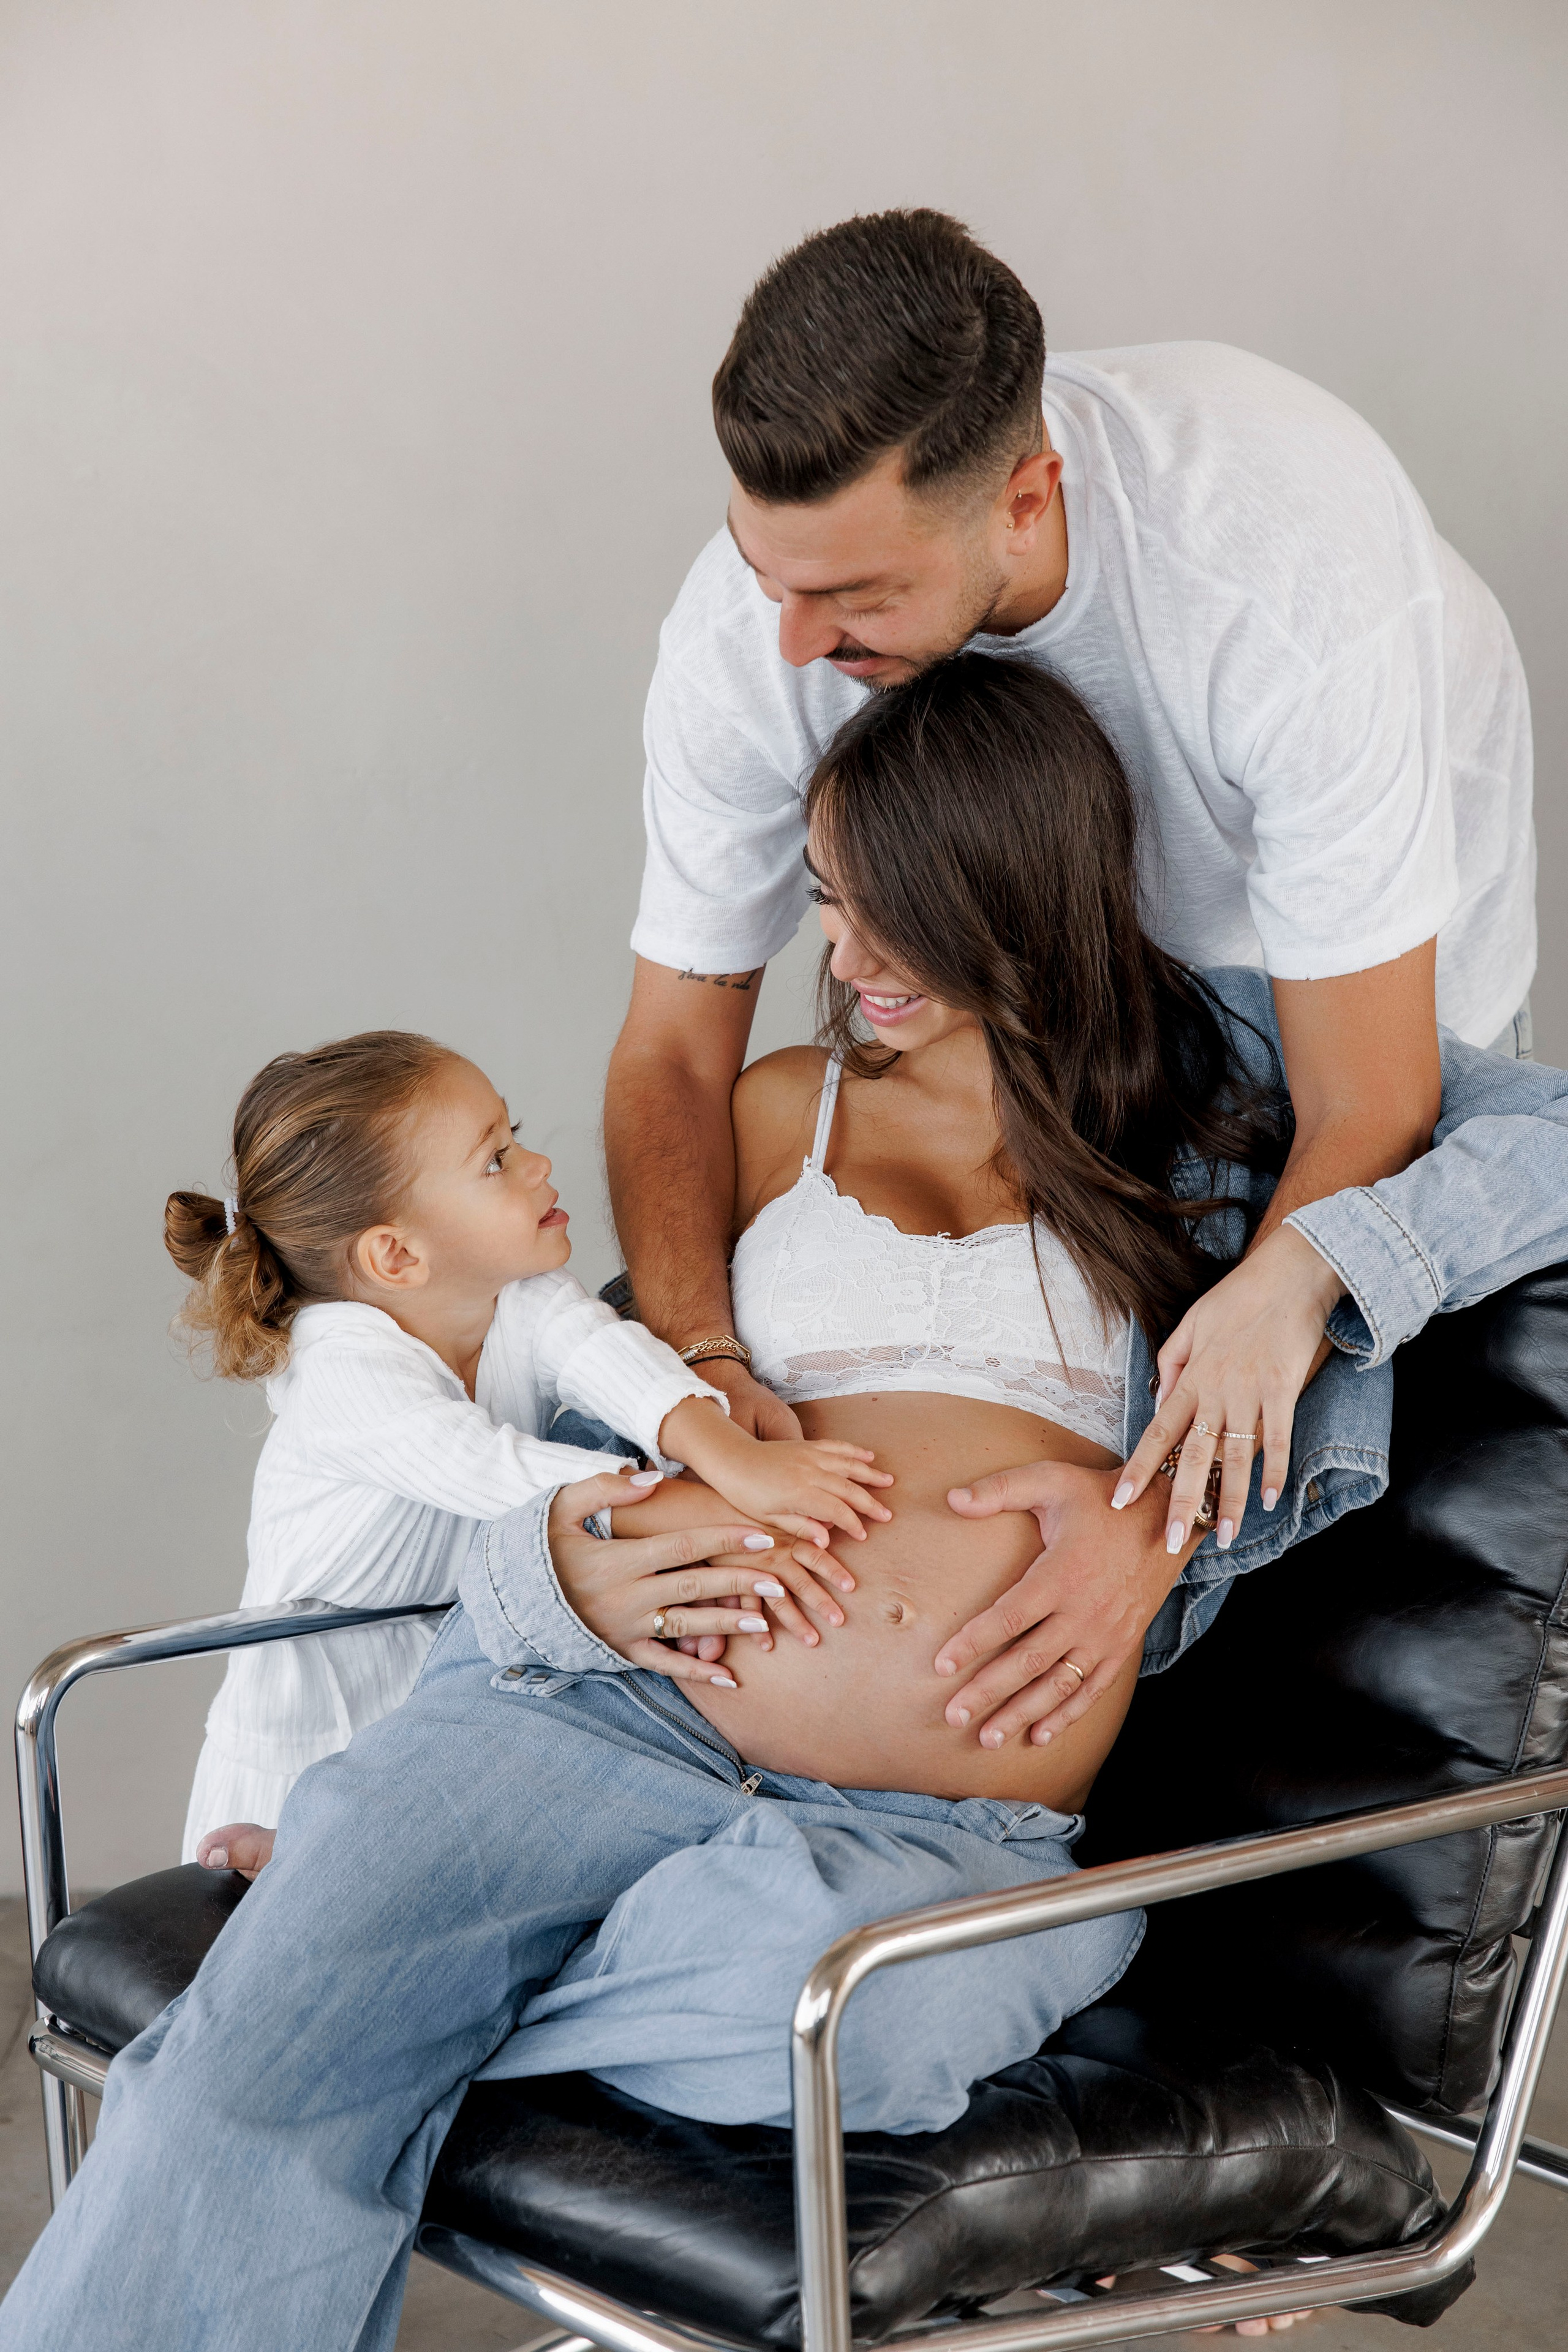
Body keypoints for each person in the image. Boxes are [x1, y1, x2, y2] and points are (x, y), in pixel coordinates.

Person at [6, 658, 1565, 2352]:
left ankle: (352, 1977)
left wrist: (1298, 1290)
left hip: (933, 1830)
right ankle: (330, 1985)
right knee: (247, 2090)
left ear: (1023, 906)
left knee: (843, 2030)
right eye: (829, 905)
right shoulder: (770, 1113)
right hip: (595, 1713)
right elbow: (572, 1398)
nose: (845, 964)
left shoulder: (1208, 1116)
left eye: (899, 922)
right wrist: (564, 1569)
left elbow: (1549, 1141)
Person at [606, 206, 1535, 1746]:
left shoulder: (1281, 583)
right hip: (1008, 950)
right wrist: (697, 1366)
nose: (789, 642)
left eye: (851, 600)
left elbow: (1367, 1096)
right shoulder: (767, 624)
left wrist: (1165, 1515)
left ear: (1025, 497)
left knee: (1294, 1314)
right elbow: (673, 1061)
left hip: (1308, 958)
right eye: (765, 571)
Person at [168, 1028, 888, 1859]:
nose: (540, 1163)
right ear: (397, 1255)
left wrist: (733, 1456)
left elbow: (607, 1355)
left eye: (516, 1137)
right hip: (307, 1735)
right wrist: (732, 1511)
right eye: (496, 1162)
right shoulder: (342, 1375)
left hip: (444, 1694)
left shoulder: (522, 1293)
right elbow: (504, 1474)